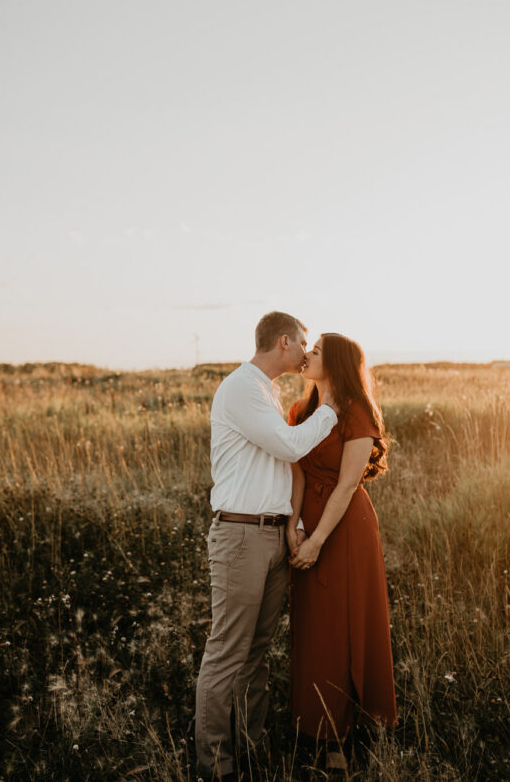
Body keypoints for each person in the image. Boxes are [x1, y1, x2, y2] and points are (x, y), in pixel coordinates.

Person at [195, 311, 338, 781]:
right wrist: (332, 410)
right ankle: (217, 766)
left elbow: (278, 469)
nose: (306, 350)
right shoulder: (241, 389)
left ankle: (252, 749)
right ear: (284, 342)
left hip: (272, 534)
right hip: (240, 536)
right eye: (303, 342)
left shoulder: (266, 392)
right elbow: (290, 447)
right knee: (227, 652)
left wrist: (292, 525)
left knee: (256, 652)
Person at [287, 333, 397, 768]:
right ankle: (313, 724)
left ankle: (345, 733)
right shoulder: (299, 411)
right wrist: (294, 524)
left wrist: (317, 540)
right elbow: (295, 473)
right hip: (306, 523)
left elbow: (349, 484)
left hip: (345, 529)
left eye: (314, 351)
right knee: (313, 625)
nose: (306, 355)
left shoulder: (357, 413)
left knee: (345, 623)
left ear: (334, 362)